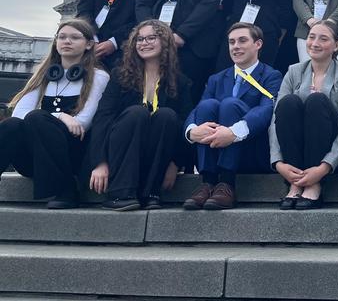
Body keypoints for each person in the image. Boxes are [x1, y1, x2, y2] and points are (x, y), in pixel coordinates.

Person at [0, 19, 109, 209]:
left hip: (73, 153)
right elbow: (18, 114)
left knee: (37, 117)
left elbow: (83, 123)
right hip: (36, 158)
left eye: (75, 37)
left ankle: (66, 189)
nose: (67, 41)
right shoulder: (44, 75)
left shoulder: (98, 76)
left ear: (89, 44)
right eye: (62, 37)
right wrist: (61, 116)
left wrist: (52, 116)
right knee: (11, 125)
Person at [89, 20, 193, 210]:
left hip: (156, 151)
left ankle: (151, 193)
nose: (144, 43)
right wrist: (100, 162)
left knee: (167, 116)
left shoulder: (180, 81)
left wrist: (175, 163)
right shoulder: (120, 75)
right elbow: (103, 118)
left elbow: (185, 124)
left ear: (165, 42)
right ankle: (121, 193)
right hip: (122, 149)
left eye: (151, 38)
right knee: (137, 113)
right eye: (139, 39)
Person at [183, 23, 282, 210]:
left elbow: (267, 110)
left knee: (229, 104)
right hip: (214, 148)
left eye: (242, 41)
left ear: (258, 44)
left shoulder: (272, 76)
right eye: (231, 42)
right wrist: (192, 131)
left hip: (250, 150)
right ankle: (208, 182)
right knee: (208, 105)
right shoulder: (216, 79)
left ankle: (227, 184)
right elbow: (197, 111)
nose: (235, 46)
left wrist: (232, 133)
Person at [269, 21, 338, 210]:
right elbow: (275, 120)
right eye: (311, 37)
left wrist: (324, 167)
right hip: (295, 153)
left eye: (323, 38)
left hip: (330, 154)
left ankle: (313, 184)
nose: (315, 43)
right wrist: (278, 163)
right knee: (287, 103)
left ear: (337, 46)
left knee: (317, 101)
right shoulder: (293, 71)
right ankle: (295, 182)